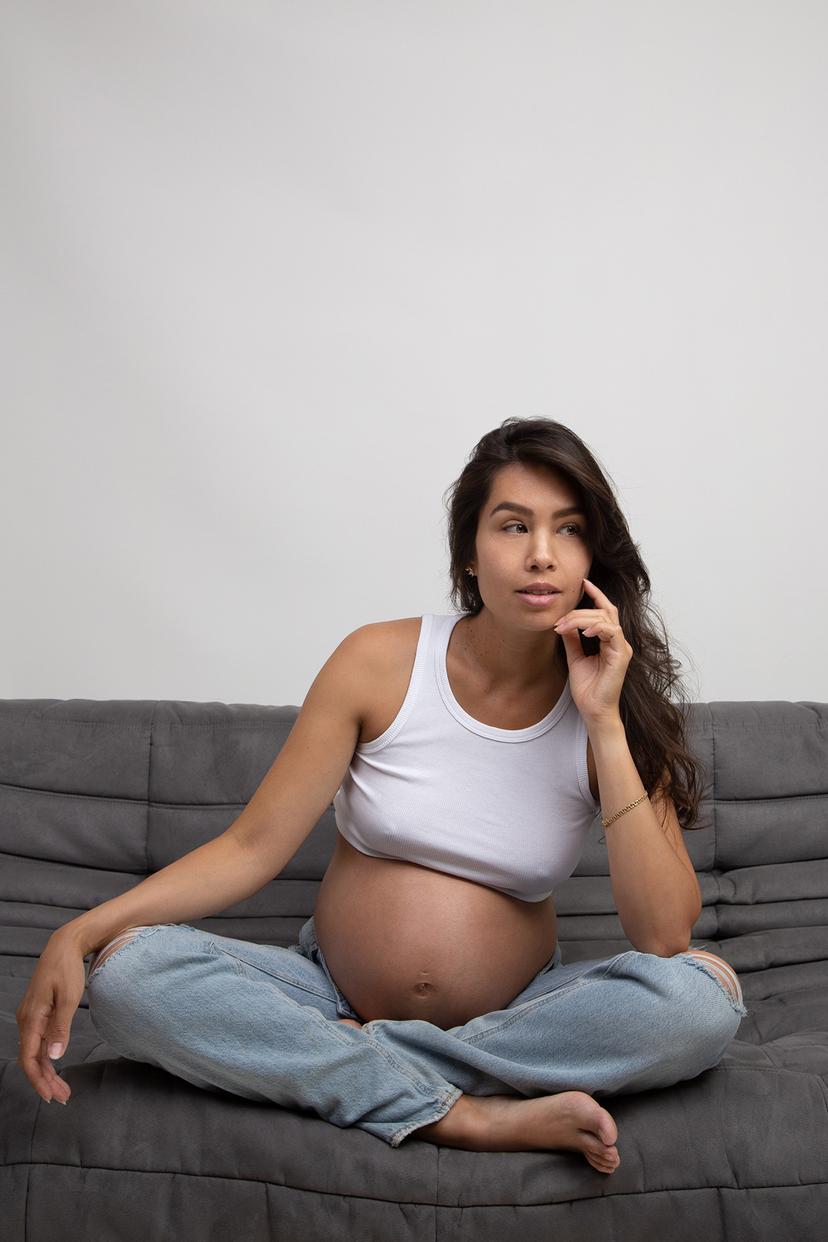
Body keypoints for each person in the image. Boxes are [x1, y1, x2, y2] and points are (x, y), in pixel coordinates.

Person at [16, 416, 747, 1174]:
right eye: (513, 525)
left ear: (593, 553)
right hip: (324, 991)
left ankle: (357, 1067)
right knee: (127, 975)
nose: (540, 555)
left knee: (702, 1000)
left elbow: (664, 938)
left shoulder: (617, 702)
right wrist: (80, 932)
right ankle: (465, 1113)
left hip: (521, 1012)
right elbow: (250, 848)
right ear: (470, 548)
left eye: (568, 530)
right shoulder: (379, 661)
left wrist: (601, 723)